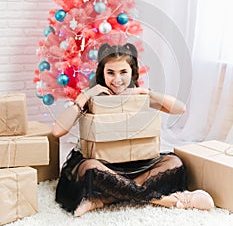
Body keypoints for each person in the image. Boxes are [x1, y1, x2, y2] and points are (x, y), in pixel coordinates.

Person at [52, 43, 214, 216]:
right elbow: (57, 131)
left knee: (175, 163)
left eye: (123, 72)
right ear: (102, 73)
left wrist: (145, 92)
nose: (117, 79)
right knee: (90, 169)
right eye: (111, 73)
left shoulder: (137, 96)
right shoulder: (94, 97)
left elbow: (180, 109)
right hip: (104, 163)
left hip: (137, 162)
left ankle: (106, 198)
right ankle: (163, 199)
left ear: (132, 72)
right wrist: (84, 97)